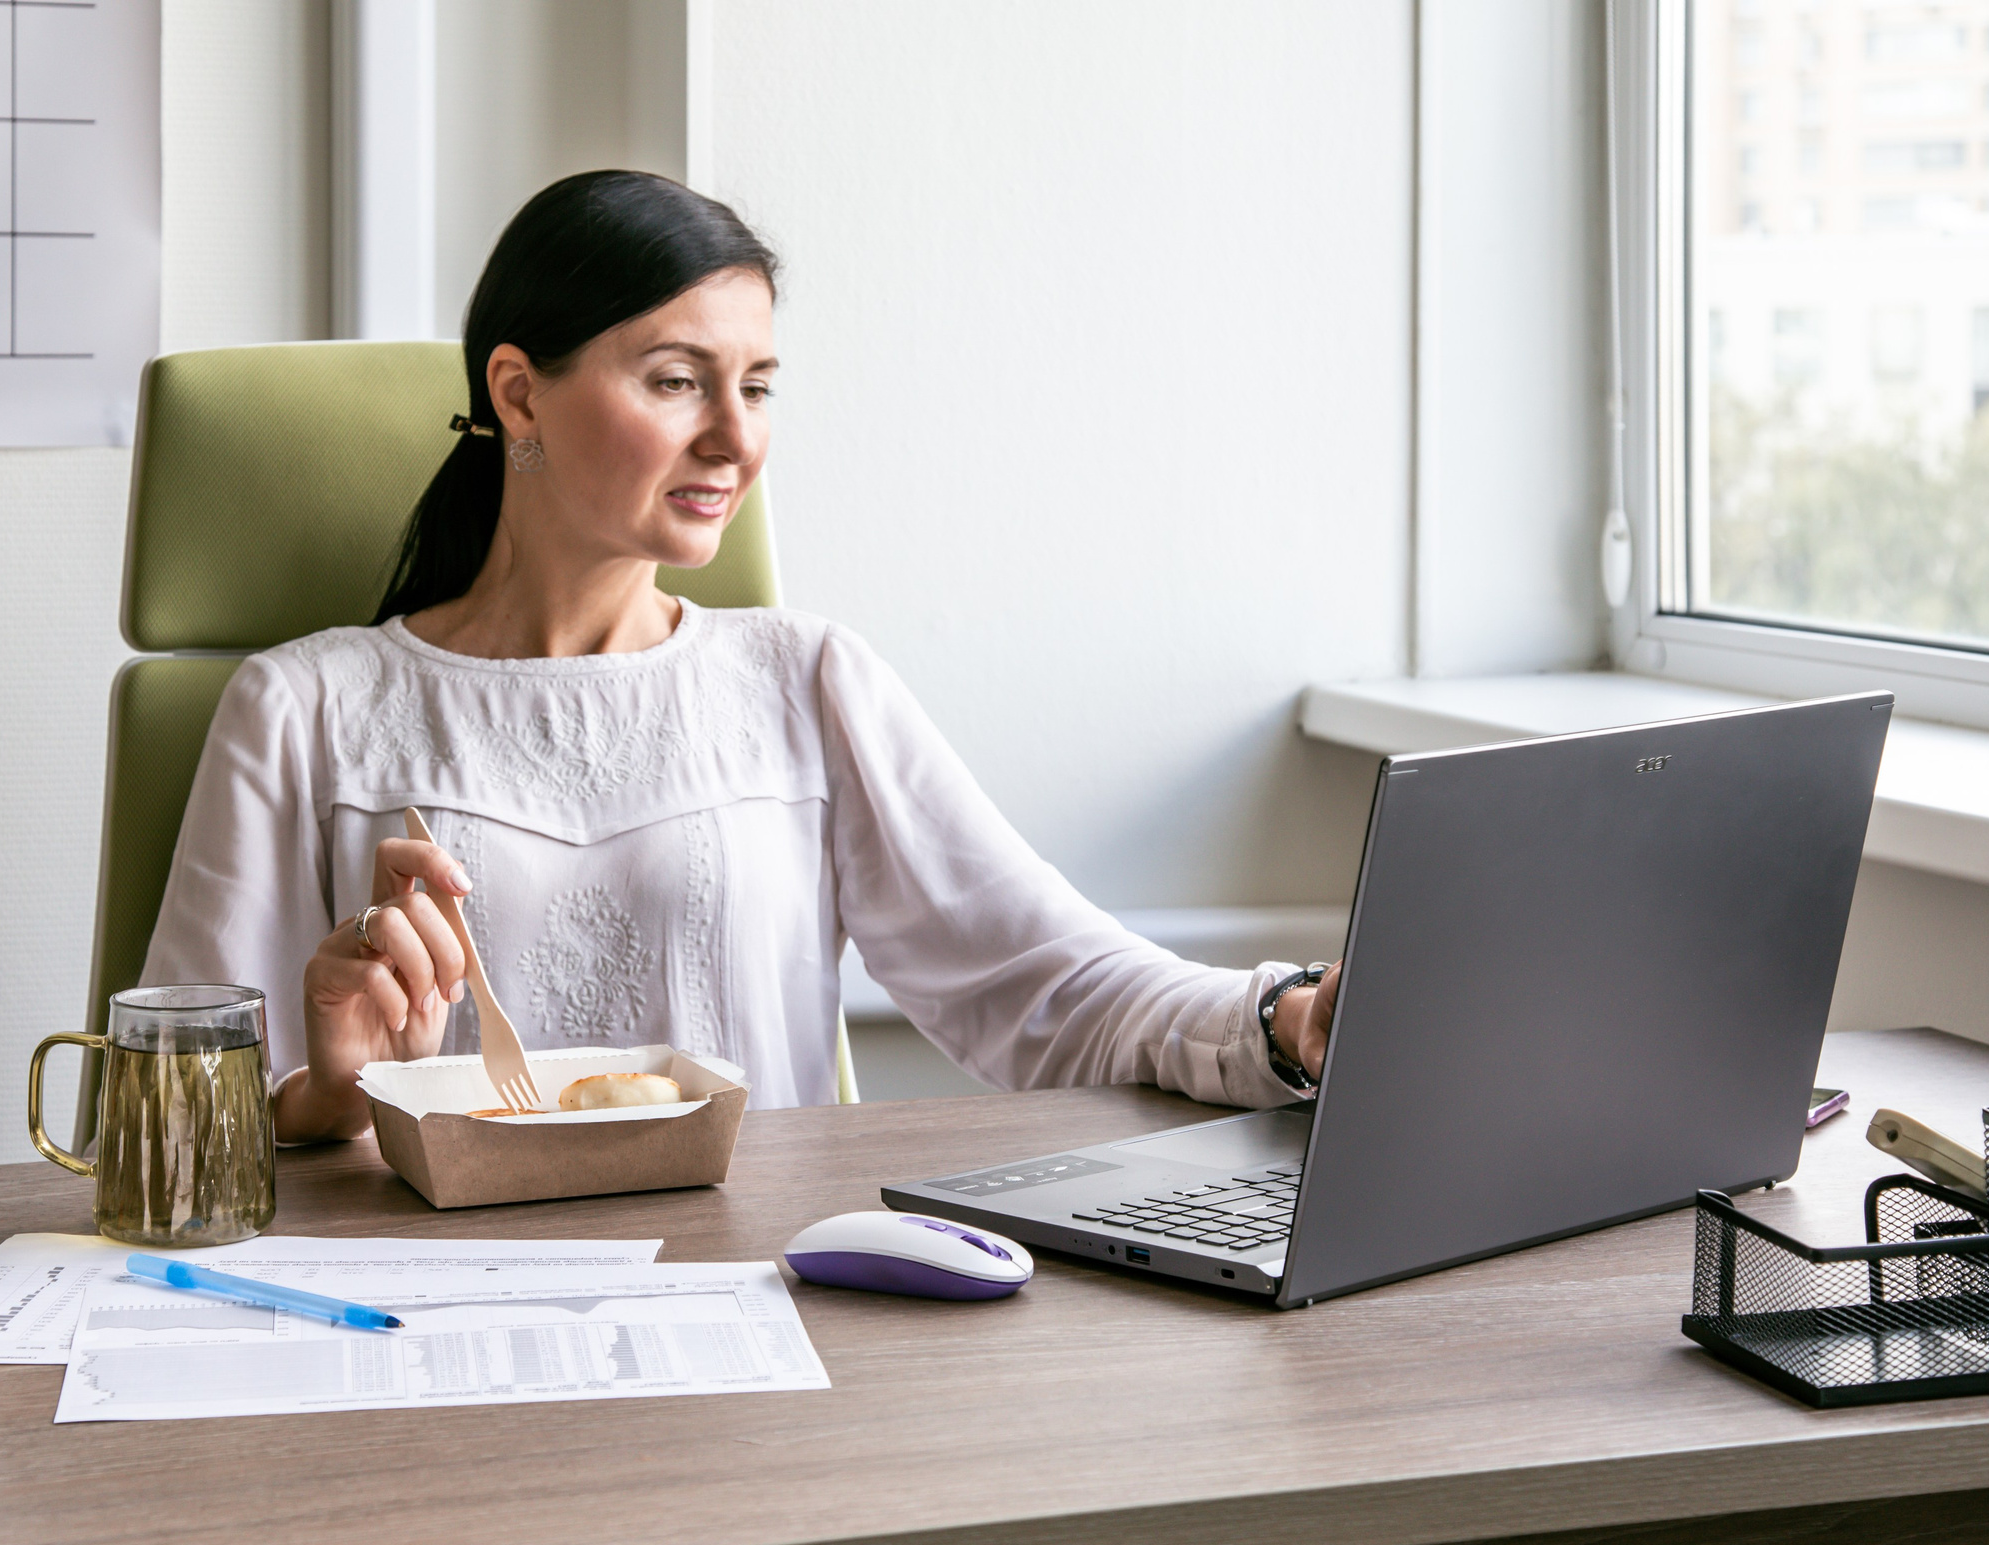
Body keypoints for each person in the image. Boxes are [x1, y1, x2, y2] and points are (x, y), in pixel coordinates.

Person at [142, 170, 1340, 1142]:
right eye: (677, 381)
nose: (734, 440)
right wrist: (331, 1101)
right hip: (433, 1315)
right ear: (518, 394)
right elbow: (167, 1129)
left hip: (760, 1301)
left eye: (756, 388)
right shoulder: (304, 708)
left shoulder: (805, 682)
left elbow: (1046, 980)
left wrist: (1284, 1018)